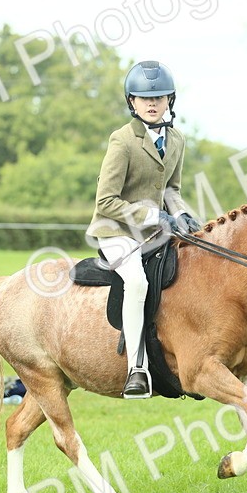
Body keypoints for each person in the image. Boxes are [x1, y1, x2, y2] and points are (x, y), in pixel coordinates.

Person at [86, 60, 201, 399]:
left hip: (154, 234)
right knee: (137, 282)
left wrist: (183, 215)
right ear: (132, 102)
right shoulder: (122, 141)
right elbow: (106, 200)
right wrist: (154, 216)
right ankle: (136, 370)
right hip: (116, 231)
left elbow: (172, 190)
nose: (152, 103)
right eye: (144, 98)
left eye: (159, 97)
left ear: (169, 100)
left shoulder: (176, 140)